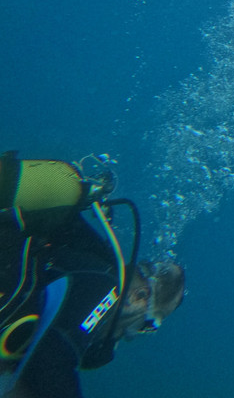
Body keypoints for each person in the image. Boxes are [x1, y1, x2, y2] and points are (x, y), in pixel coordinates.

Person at [0, 153, 185, 398]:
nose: (126, 336)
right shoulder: (106, 291)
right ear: (139, 297)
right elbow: (52, 355)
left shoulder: (92, 268)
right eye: (145, 326)